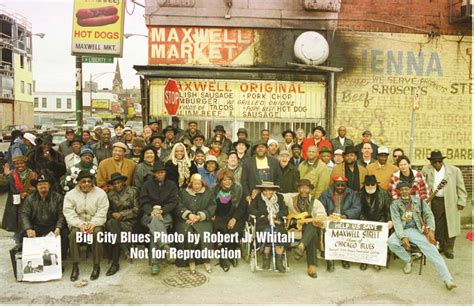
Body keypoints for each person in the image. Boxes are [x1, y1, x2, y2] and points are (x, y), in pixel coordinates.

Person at [387, 181, 456, 290]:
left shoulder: (418, 201)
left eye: (406, 189)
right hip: (402, 229)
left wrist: (431, 230)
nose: (404, 191)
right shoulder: (395, 204)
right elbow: (396, 221)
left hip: (415, 230)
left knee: (432, 249)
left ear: (410, 190)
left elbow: (429, 215)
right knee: (391, 242)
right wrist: (402, 237)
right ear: (399, 192)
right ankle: (407, 260)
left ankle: (447, 279)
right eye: (402, 190)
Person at [63, 170, 109, 281]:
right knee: (73, 234)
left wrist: (93, 224)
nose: (87, 184)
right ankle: (75, 265)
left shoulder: (101, 193)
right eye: (83, 181)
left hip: (95, 222)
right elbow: (68, 212)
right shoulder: (70, 195)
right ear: (78, 182)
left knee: (97, 234)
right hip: (78, 223)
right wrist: (80, 224)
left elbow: (102, 211)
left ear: (93, 182)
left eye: (89, 181)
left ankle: (96, 265)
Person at [421, 150, 467, 259]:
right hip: (435, 201)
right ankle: (440, 245)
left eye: (439, 161)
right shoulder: (426, 170)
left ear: (442, 161)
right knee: (437, 225)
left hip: (450, 201)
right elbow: (422, 186)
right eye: (434, 162)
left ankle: (449, 248)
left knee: (450, 225)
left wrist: (461, 201)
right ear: (431, 162)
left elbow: (461, 188)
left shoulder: (454, 170)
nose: (437, 164)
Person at [140, 162, 179, 275]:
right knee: (155, 222)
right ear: (154, 174)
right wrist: (151, 211)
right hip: (149, 214)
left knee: (154, 233)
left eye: (162, 172)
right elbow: (143, 201)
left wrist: (162, 211)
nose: (160, 175)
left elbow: (174, 201)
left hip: (165, 214)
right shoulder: (147, 184)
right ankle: (166, 247)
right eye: (158, 173)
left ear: (165, 173)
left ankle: (154, 263)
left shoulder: (171, 185)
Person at [284, 179, 327, 278]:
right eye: (301, 188)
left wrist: (319, 222)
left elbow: (322, 214)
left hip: (308, 228)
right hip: (294, 226)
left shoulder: (315, 202)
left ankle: (302, 246)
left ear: (310, 190)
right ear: (298, 189)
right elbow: (278, 195)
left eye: (306, 188)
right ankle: (311, 264)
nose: (304, 190)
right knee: (312, 233)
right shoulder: (291, 198)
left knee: (312, 227)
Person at [175, 173, 216, 274]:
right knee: (187, 235)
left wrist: (199, 216)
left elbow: (212, 206)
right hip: (186, 219)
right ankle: (191, 261)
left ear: (202, 184)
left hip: (202, 219)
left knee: (204, 235)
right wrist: (188, 215)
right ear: (191, 184)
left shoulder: (208, 192)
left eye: (199, 184)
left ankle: (206, 261)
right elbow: (178, 206)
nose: (197, 186)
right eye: (194, 184)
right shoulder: (183, 192)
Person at [319, 176, 361, 271]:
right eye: (338, 185)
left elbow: (357, 207)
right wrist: (327, 217)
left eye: (342, 185)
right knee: (328, 236)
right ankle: (330, 260)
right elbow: (320, 206)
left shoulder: (352, 194)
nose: (340, 187)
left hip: (345, 220)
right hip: (330, 220)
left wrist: (346, 215)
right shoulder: (326, 194)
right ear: (334, 185)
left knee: (346, 239)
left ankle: (345, 258)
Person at [22, 173, 68, 258]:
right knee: (25, 233)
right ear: (36, 187)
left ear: (49, 185)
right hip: (37, 226)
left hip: (53, 226)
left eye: (45, 184)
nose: (43, 186)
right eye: (40, 184)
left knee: (64, 232)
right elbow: (25, 214)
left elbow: (62, 214)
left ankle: (60, 259)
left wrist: (58, 228)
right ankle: (33, 258)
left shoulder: (58, 197)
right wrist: (29, 229)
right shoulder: (30, 198)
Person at [248, 181, 288, 272]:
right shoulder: (258, 198)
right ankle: (266, 260)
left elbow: (285, 210)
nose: (267, 193)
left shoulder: (279, 198)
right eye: (265, 190)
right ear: (262, 191)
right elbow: (251, 209)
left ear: (273, 190)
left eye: (270, 190)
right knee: (267, 232)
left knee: (280, 233)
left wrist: (276, 215)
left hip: (277, 222)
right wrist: (263, 215)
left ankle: (279, 262)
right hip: (263, 223)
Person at [105, 172, 140, 276]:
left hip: (130, 221)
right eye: (114, 183)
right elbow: (107, 211)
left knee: (113, 228)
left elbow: (137, 210)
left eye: (119, 182)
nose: (117, 185)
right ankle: (125, 250)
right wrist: (112, 214)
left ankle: (115, 264)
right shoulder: (109, 194)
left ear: (123, 182)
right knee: (113, 224)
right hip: (115, 221)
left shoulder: (133, 191)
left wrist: (122, 215)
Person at [212, 169, 246, 271]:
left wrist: (234, 219)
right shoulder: (214, 189)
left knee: (233, 231)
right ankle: (223, 258)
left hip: (235, 215)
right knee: (220, 229)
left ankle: (231, 255)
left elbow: (242, 206)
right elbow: (210, 203)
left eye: (229, 179)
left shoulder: (238, 188)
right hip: (220, 215)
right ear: (220, 181)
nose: (227, 182)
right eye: (224, 180)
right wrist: (212, 214)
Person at [359, 175, 392, 271]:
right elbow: (359, 210)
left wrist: (390, 220)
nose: (370, 186)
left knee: (379, 241)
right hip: (364, 220)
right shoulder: (360, 194)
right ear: (364, 185)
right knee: (363, 242)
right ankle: (364, 260)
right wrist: (363, 221)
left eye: (372, 184)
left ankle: (377, 261)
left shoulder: (384, 194)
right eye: (367, 184)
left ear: (376, 185)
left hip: (380, 220)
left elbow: (388, 209)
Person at [1, 156, 37, 244]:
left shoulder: (32, 174)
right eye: (17, 164)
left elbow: (35, 187)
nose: (20, 165)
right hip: (16, 199)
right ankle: (18, 235)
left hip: (29, 199)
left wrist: (27, 193)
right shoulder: (12, 174)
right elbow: (7, 186)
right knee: (17, 218)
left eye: (22, 163)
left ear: (25, 164)